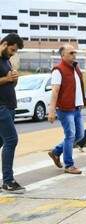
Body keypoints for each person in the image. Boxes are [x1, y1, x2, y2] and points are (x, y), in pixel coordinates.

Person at [48, 44, 86, 175]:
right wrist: (52, 110)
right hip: (65, 109)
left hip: (77, 108)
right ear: (63, 55)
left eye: (75, 52)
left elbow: (80, 88)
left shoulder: (76, 68)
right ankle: (69, 165)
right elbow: (55, 91)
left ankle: (56, 152)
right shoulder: (58, 70)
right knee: (70, 135)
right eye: (71, 53)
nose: (74, 55)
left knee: (80, 135)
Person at [0, 33, 25, 194]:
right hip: (0, 107)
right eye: (12, 49)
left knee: (2, 143)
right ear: (4, 44)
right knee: (11, 140)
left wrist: (14, 78)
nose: (13, 53)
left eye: (15, 51)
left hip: (9, 106)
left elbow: (8, 83)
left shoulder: (6, 61)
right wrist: (7, 79)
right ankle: (8, 181)